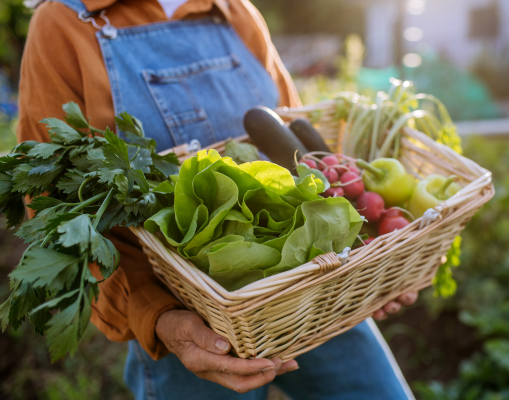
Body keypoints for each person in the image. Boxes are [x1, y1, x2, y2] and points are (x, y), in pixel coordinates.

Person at [17, 0, 419, 398]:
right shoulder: (64, 22)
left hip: (311, 292)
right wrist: (158, 316)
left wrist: (370, 269)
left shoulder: (233, 10)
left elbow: (294, 144)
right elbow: (58, 208)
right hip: (193, 322)